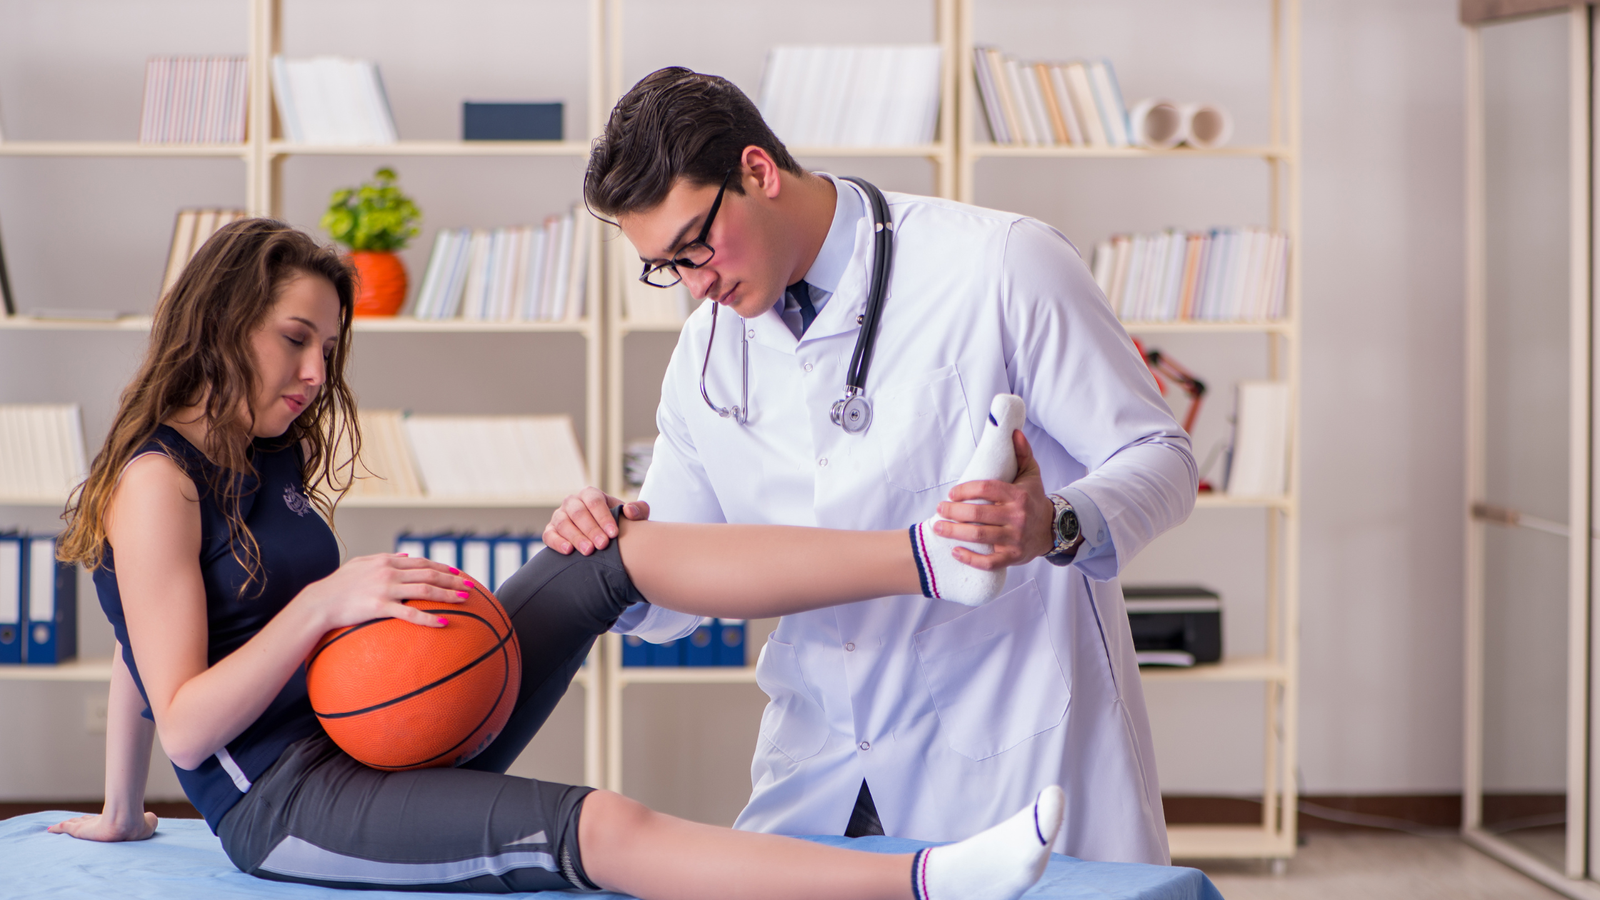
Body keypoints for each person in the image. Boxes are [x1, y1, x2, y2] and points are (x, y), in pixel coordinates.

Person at [46, 218, 1064, 900]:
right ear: (222, 324)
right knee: (603, 823)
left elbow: (142, 647)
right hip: (292, 803)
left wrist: (124, 811)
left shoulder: (259, 452)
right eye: (295, 340)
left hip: (375, 725)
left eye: (330, 348)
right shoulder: (156, 484)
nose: (317, 373)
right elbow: (179, 707)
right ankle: (930, 881)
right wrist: (322, 609)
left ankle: (933, 555)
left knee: (609, 552)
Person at [551, 67, 1198, 866]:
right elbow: (675, 594)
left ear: (757, 170)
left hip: (1009, 745)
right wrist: (609, 552)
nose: (695, 285)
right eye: (666, 266)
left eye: (696, 246)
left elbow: (1160, 456)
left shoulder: (999, 263)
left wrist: (1058, 522)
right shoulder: (706, 354)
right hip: (819, 756)